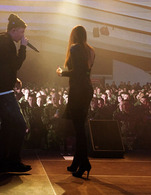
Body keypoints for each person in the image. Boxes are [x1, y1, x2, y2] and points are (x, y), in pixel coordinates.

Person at [0, 13, 31, 173]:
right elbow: (16, 64)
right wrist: (24, 48)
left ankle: (0, 162)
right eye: (21, 32)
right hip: (3, 92)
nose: (22, 35)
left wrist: (13, 78)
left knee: (7, 126)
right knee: (20, 125)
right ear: (13, 30)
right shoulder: (8, 44)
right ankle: (12, 161)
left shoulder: (0, 42)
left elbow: (4, 66)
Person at [56, 25, 95, 179]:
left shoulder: (74, 48)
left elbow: (77, 72)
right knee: (80, 128)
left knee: (79, 130)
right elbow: (85, 71)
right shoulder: (90, 50)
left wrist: (61, 73)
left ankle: (84, 163)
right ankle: (77, 162)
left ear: (73, 36)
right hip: (87, 89)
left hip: (78, 91)